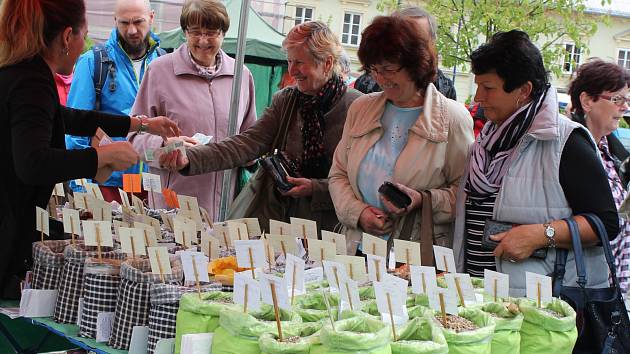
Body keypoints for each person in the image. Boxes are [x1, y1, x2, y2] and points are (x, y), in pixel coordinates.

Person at [0, 0, 179, 298]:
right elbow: (33, 163)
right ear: (67, 36)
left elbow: (64, 117)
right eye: (84, 35)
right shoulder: (31, 81)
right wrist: (102, 157)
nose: (84, 44)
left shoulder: (21, 72)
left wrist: (139, 124)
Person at [451, 30, 619, 296]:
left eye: (488, 88)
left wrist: (541, 234)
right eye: (478, 86)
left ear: (524, 90)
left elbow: (605, 223)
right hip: (478, 296)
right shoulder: (485, 142)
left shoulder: (566, 141)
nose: (478, 98)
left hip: (538, 306)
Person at [158, 20, 362, 232]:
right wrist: (189, 158)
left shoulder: (357, 107)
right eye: (289, 61)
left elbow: (363, 182)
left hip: (332, 228)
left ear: (327, 63)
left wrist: (315, 188)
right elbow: (245, 144)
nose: (292, 71)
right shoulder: (287, 100)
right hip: (282, 220)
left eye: (300, 63)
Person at [328, 15, 474, 257]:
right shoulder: (361, 108)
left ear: (415, 65)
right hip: (356, 248)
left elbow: (465, 194)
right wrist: (358, 212)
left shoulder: (453, 118)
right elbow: (338, 174)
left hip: (414, 257)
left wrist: (421, 200)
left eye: (388, 69)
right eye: (374, 69)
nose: (380, 78)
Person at [130, 0, 257, 219]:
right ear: (185, 32)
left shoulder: (241, 76)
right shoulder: (160, 72)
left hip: (225, 207)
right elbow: (134, 138)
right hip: (173, 208)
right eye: (195, 32)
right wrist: (161, 148)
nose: (203, 40)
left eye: (211, 33)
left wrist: (249, 155)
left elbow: (251, 139)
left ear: (223, 33)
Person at [65, 0, 165, 202]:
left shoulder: (163, 62)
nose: (132, 30)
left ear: (152, 17)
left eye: (138, 21)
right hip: (106, 185)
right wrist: (81, 189)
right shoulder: (93, 61)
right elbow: (75, 129)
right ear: (114, 20)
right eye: (124, 23)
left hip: (152, 185)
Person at [567, 59, 630, 293]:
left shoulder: (611, 152)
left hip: (613, 284)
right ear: (587, 101)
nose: (624, 107)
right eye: (616, 99)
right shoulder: (567, 150)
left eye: (626, 100)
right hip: (580, 286)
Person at [353, 6, 457, 101]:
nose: (412, 48)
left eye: (418, 40)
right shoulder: (366, 83)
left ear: (432, 43)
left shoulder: (444, 86)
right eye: (403, 39)